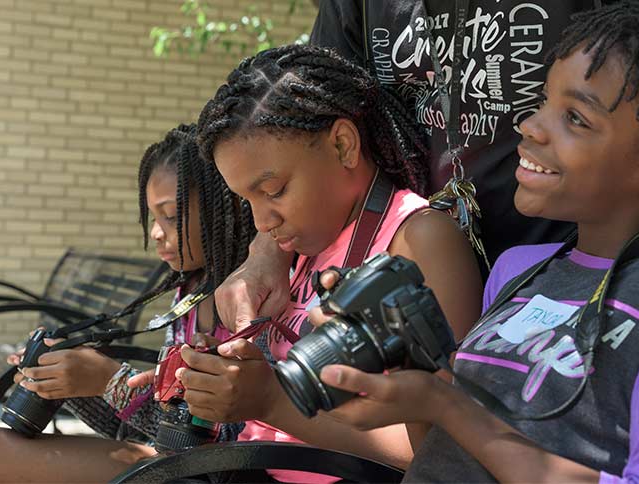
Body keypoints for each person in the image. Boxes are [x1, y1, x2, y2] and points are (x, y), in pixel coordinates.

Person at [303, 1, 639, 482]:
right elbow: (444, 456)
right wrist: (408, 375)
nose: (531, 126)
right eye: (544, 101)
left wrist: (445, 402)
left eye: (576, 119)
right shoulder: (515, 270)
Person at [128, 44, 482, 481]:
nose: (262, 221)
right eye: (247, 202)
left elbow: (445, 445)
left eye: (274, 191)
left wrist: (271, 400)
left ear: (343, 145)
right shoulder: (302, 244)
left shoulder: (418, 239)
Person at [0, 123, 256, 483]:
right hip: (170, 464)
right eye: (153, 216)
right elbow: (149, 429)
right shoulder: (191, 293)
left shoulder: (252, 301)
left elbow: (218, 442)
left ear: (224, 209)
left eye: (171, 215)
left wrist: (111, 381)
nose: (155, 232)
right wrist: (65, 379)